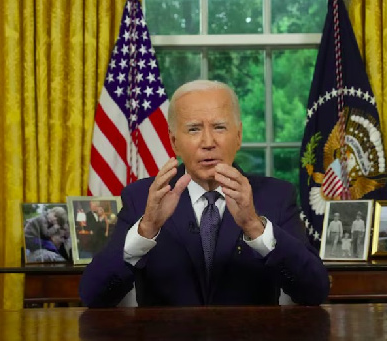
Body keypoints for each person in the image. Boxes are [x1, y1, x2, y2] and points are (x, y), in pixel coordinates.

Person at [79, 80, 329, 307]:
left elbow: (314, 291)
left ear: (239, 135)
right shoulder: (142, 198)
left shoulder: (276, 196)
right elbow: (94, 296)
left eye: (219, 127)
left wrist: (254, 226)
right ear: (174, 141)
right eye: (194, 129)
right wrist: (146, 229)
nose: (208, 142)